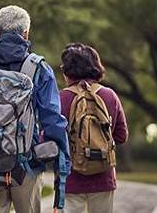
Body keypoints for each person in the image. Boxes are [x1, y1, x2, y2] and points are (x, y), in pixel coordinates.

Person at [0, 5, 70, 213]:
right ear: (26, 33)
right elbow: (52, 120)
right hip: (27, 166)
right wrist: (59, 159)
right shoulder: (39, 69)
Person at [59, 43, 128, 213]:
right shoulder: (109, 95)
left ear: (67, 71)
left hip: (70, 178)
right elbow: (121, 136)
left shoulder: (62, 97)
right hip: (104, 176)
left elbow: (51, 137)